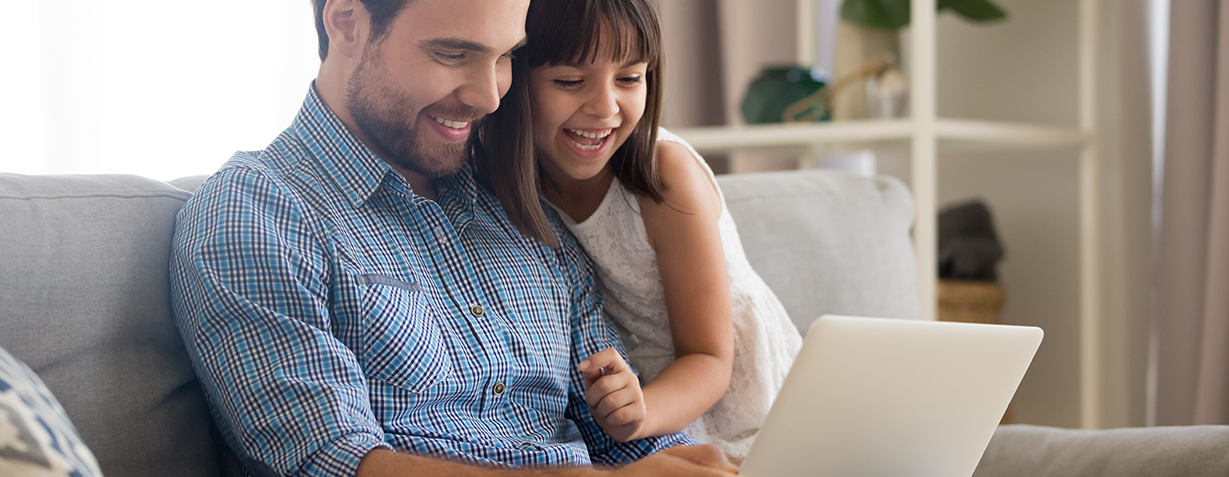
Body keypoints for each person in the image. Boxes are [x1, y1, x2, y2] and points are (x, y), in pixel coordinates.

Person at [167, 0, 739, 475]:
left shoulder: (515, 200)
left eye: (506, 57)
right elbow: (335, 462)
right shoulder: (256, 214)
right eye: (453, 54)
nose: (490, 96)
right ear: (345, 22)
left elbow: (616, 430)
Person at [473, 0, 803, 459]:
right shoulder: (498, 179)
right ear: (514, 80)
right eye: (570, 81)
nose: (605, 107)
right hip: (634, 399)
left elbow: (709, 358)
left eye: (629, 78)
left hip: (740, 402)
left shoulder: (664, 176)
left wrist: (642, 412)